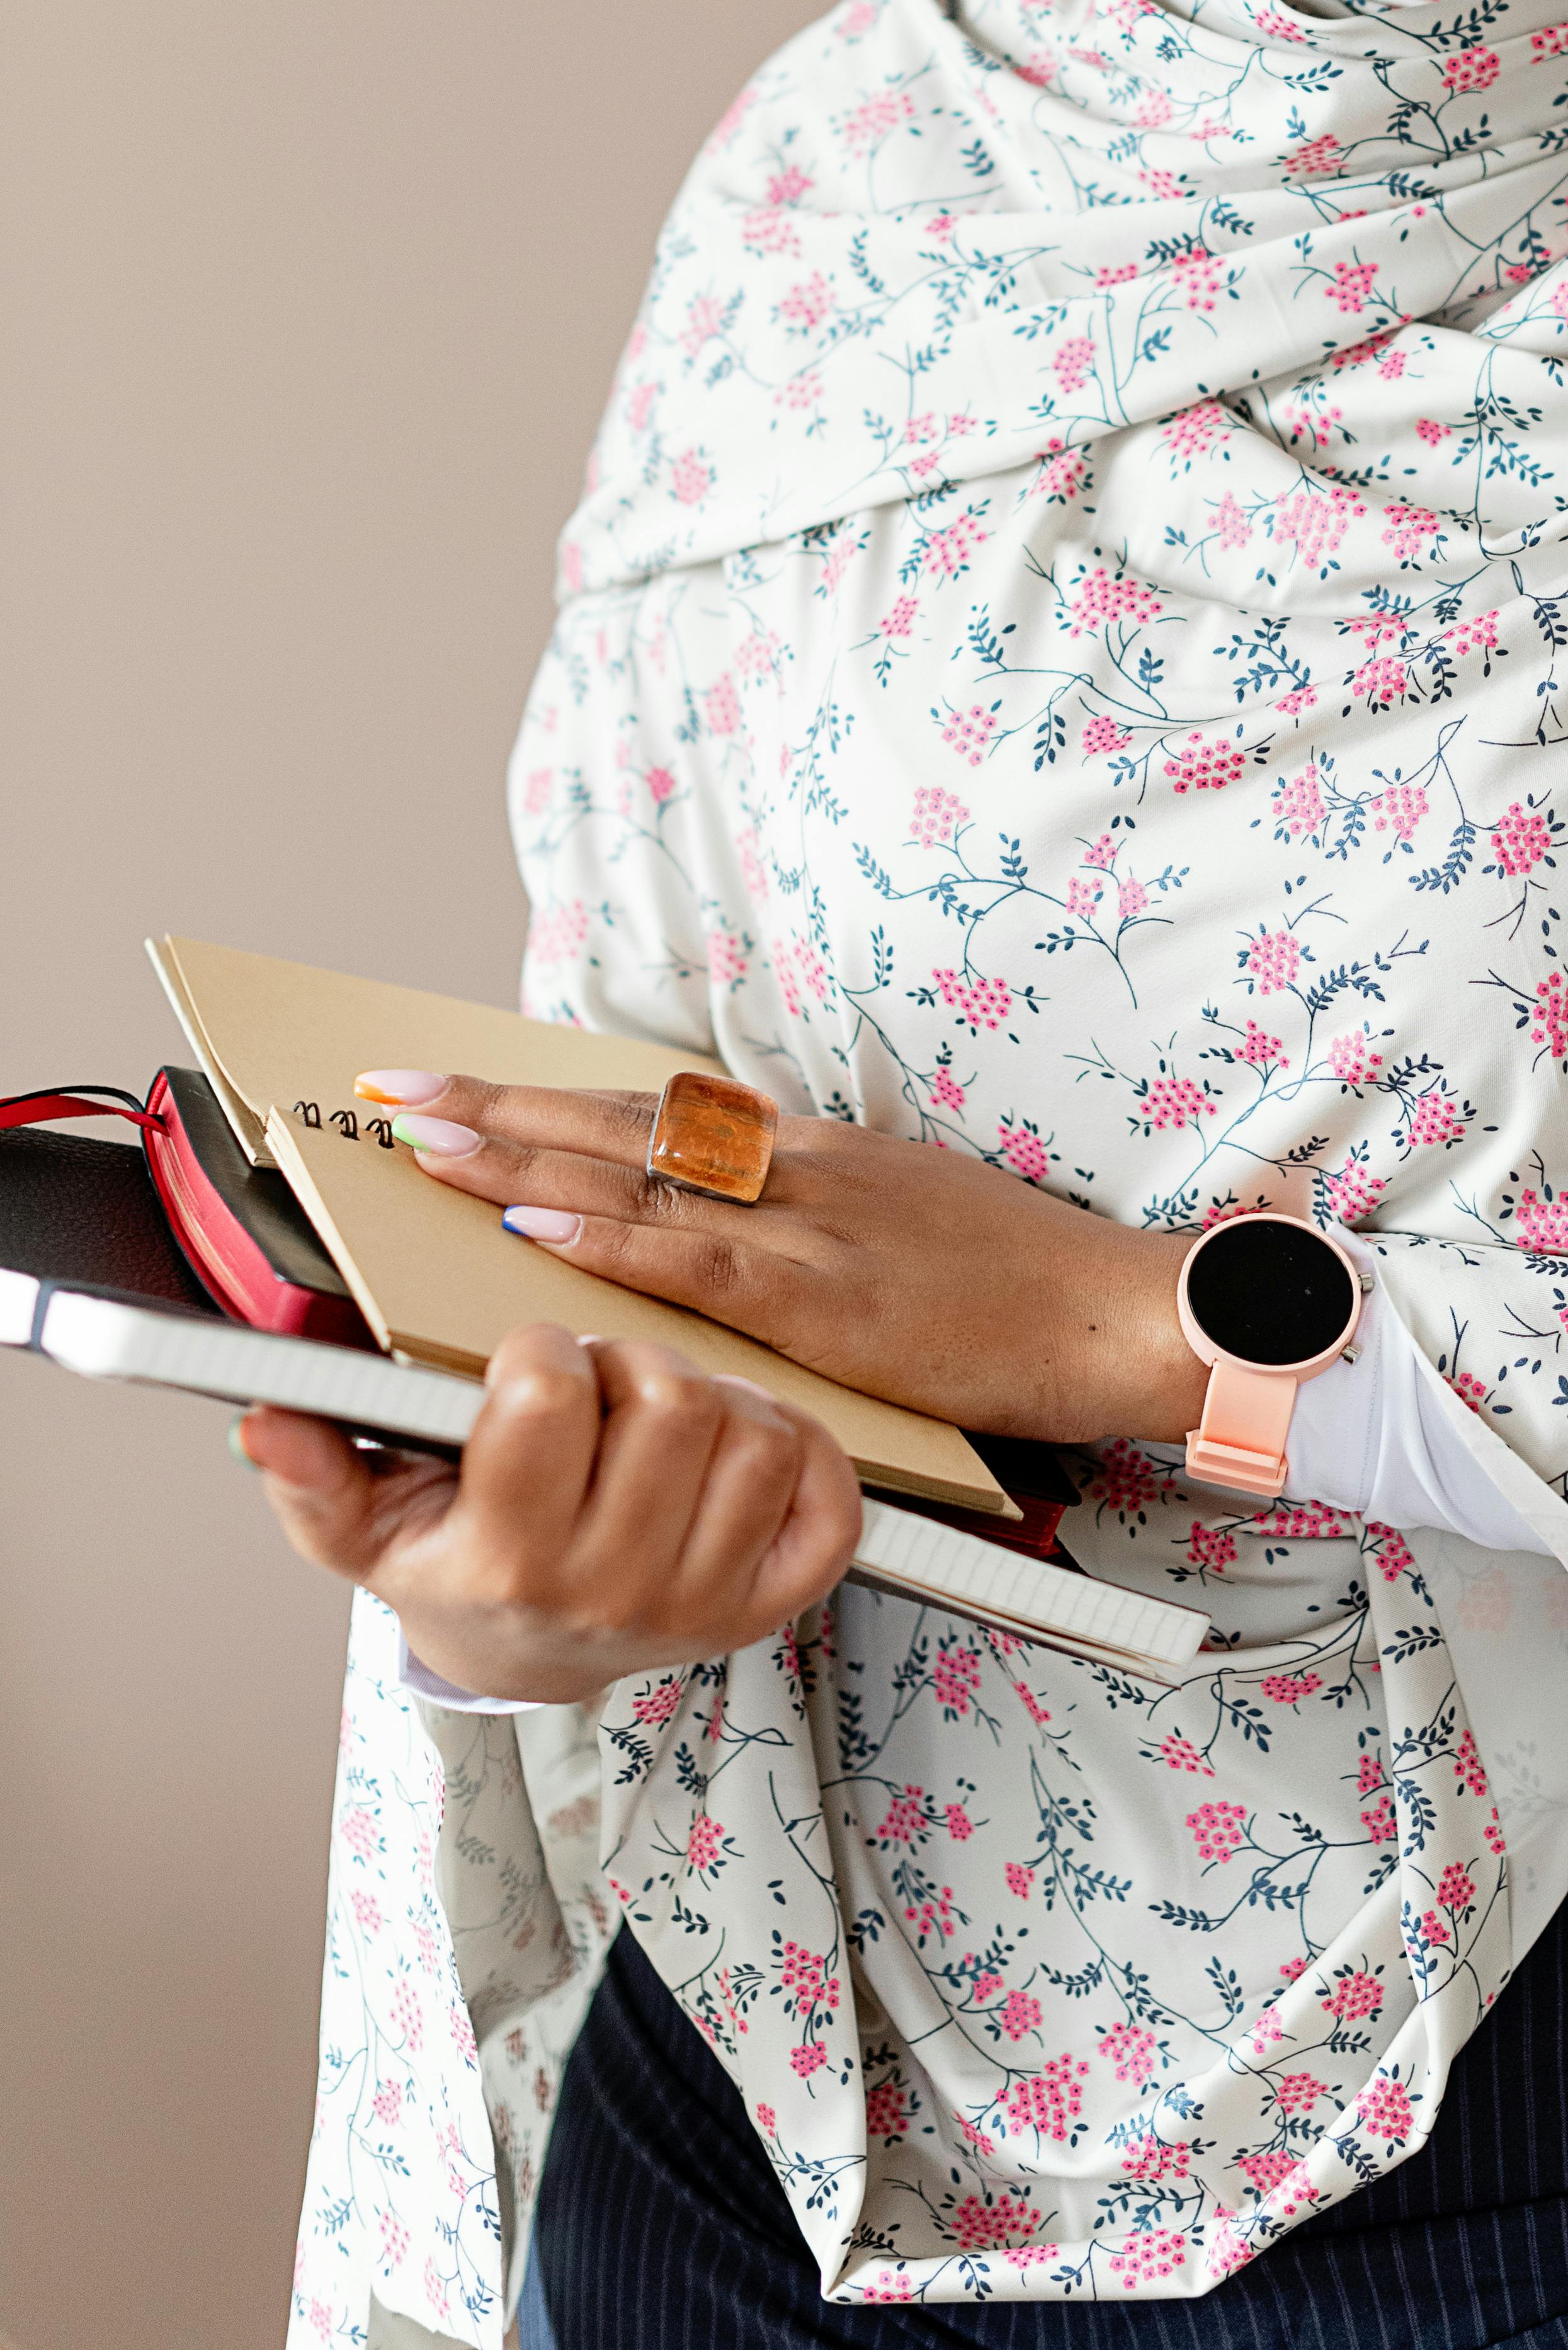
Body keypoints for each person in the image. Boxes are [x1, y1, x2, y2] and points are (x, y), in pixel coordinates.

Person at [259, 1, 1568, 2342]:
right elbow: (653, 1086)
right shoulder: (857, 155)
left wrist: (1132, 1330)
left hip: (1497, 2143)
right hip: (738, 2070)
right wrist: (533, 1579)